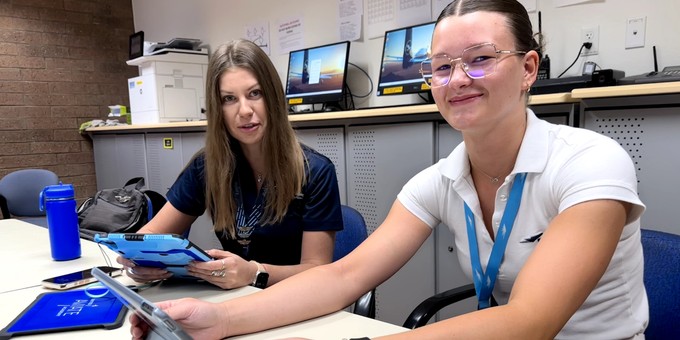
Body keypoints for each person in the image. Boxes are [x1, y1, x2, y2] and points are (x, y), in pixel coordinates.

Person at [130, 0, 648, 338]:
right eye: (442, 66)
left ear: (529, 69)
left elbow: (531, 320)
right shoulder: (440, 181)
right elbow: (343, 277)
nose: (458, 78)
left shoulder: (590, 162)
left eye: (481, 58)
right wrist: (217, 319)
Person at [118, 39, 343, 290]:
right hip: (233, 301)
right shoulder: (207, 167)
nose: (244, 110)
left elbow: (317, 270)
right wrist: (134, 259)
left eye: (254, 94)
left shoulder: (315, 171)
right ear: (218, 109)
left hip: (294, 301)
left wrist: (254, 272)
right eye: (229, 99)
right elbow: (147, 238)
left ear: (273, 97)